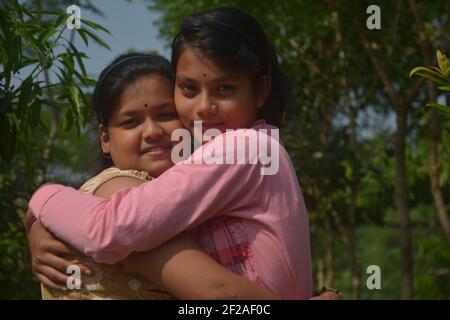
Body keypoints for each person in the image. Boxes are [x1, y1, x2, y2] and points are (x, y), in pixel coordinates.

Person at [27, 7, 339, 299]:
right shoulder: (221, 158)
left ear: (260, 90)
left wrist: (42, 197)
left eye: (224, 89)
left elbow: (109, 230)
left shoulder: (248, 147)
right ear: (104, 138)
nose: (204, 108)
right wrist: (38, 224)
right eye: (189, 89)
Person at [25, 53, 281, 300]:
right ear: (105, 138)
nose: (152, 131)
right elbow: (218, 292)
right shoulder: (124, 192)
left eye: (165, 115)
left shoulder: (176, 197)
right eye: (131, 122)